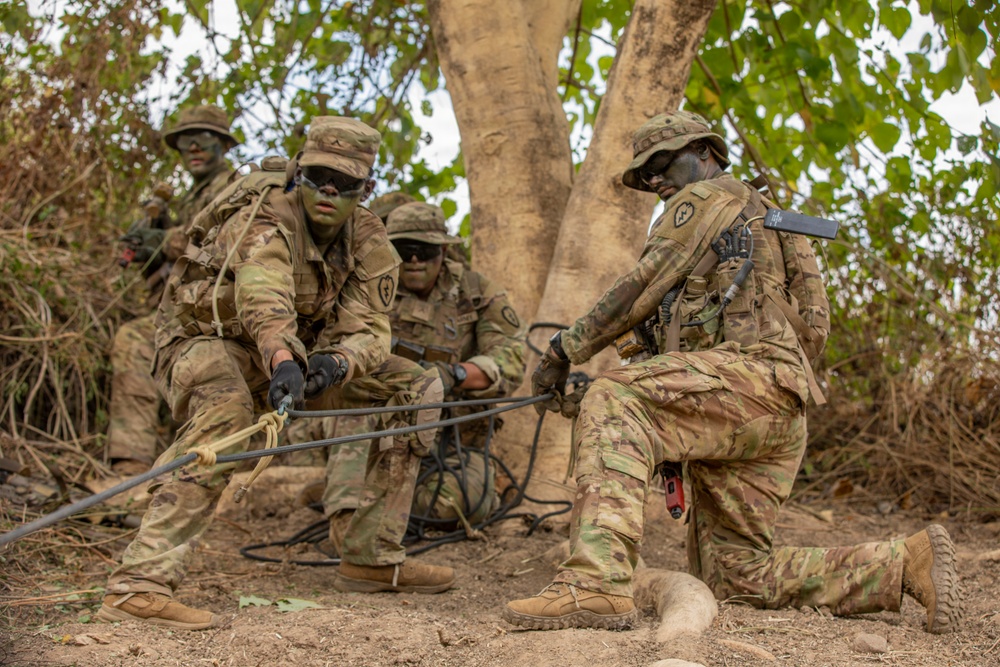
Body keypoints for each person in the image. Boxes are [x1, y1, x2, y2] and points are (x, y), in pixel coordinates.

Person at [502, 110, 964, 634]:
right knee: (739, 576)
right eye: (645, 174)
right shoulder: (764, 216)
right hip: (775, 404)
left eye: (661, 163)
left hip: (750, 383)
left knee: (616, 398)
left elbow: (640, 285)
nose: (654, 180)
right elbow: (813, 331)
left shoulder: (705, 199)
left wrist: (564, 349)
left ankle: (594, 583)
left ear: (706, 152)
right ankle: (905, 562)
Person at [96, 116, 450, 631]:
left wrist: (336, 363)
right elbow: (263, 294)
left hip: (301, 361)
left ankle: (371, 555)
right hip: (209, 343)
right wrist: (283, 356)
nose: (330, 190)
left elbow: (371, 329)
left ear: (366, 189)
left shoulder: (371, 238)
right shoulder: (263, 215)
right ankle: (139, 586)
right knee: (229, 413)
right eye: (319, 177)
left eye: (346, 184)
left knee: (417, 384)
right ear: (298, 173)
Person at [320, 202, 526, 559]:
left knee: (461, 505)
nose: (414, 261)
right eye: (405, 250)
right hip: (373, 420)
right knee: (353, 418)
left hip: (450, 433)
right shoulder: (369, 284)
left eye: (425, 251)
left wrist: (455, 374)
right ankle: (349, 527)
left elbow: (510, 361)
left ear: (443, 250)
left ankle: (375, 502)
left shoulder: (476, 291)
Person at [107, 105, 238, 476]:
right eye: (184, 143)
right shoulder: (188, 198)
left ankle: (132, 467)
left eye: (203, 140)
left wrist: (164, 239)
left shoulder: (236, 186)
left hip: (221, 312)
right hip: (187, 312)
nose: (193, 148)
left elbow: (220, 238)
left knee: (135, 339)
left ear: (224, 145)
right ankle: (138, 468)